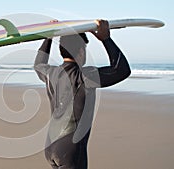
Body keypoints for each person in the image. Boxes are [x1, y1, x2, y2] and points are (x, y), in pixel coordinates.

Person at [34, 20, 131, 169]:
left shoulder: (50, 73)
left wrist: (48, 37)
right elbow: (122, 70)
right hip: (70, 150)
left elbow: (38, 64)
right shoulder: (85, 76)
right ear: (81, 51)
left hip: (50, 147)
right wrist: (106, 39)